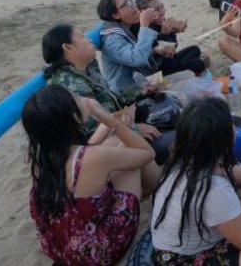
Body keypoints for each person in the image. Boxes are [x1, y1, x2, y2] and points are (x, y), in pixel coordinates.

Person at [151, 98, 241, 266]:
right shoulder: (214, 190)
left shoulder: (187, 158)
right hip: (185, 259)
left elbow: (227, 172)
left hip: (198, 234)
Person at [23, 85, 157, 266]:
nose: (83, 100)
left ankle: (146, 189)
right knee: (127, 150)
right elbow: (147, 153)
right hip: (96, 254)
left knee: (112, 144)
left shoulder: (42, 161)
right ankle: (148, 190)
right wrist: (107, 118)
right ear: (73, 117)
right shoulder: (91, 158)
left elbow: (91, 153)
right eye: (76, 98)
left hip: (61, 248)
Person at [41, 23, 174, 164]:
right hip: (110, 149)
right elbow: (94, 134)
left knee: (170, 113)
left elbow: (110, 99)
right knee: (178, 140)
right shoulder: (69, 85)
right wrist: (136, 129)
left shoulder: (86, 69)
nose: (90, 40)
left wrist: (143, 88)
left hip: (123, 127)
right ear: (68, 47)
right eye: (82, 37)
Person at [97, 0, 162, 91]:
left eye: (131, 0)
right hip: (128, 98)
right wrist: (145, 25)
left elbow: (137, 53)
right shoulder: (112, 39)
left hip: (145, 87)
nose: (134, 5)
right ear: (116, 15)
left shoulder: (126, 29)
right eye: (127, 3)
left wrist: (155, 51)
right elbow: (137, 59)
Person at [133, 0, 208, 77]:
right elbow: (164, 59)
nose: (162, 12)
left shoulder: (159, 22)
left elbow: (173, 50)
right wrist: (165, 34)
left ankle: (190, 68)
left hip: (171, 62)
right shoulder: (144, 31)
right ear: (145, 13)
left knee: (195, 49)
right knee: (197, 63)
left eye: (162, 7)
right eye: (156, 9)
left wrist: (173, 31)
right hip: (160, 71)